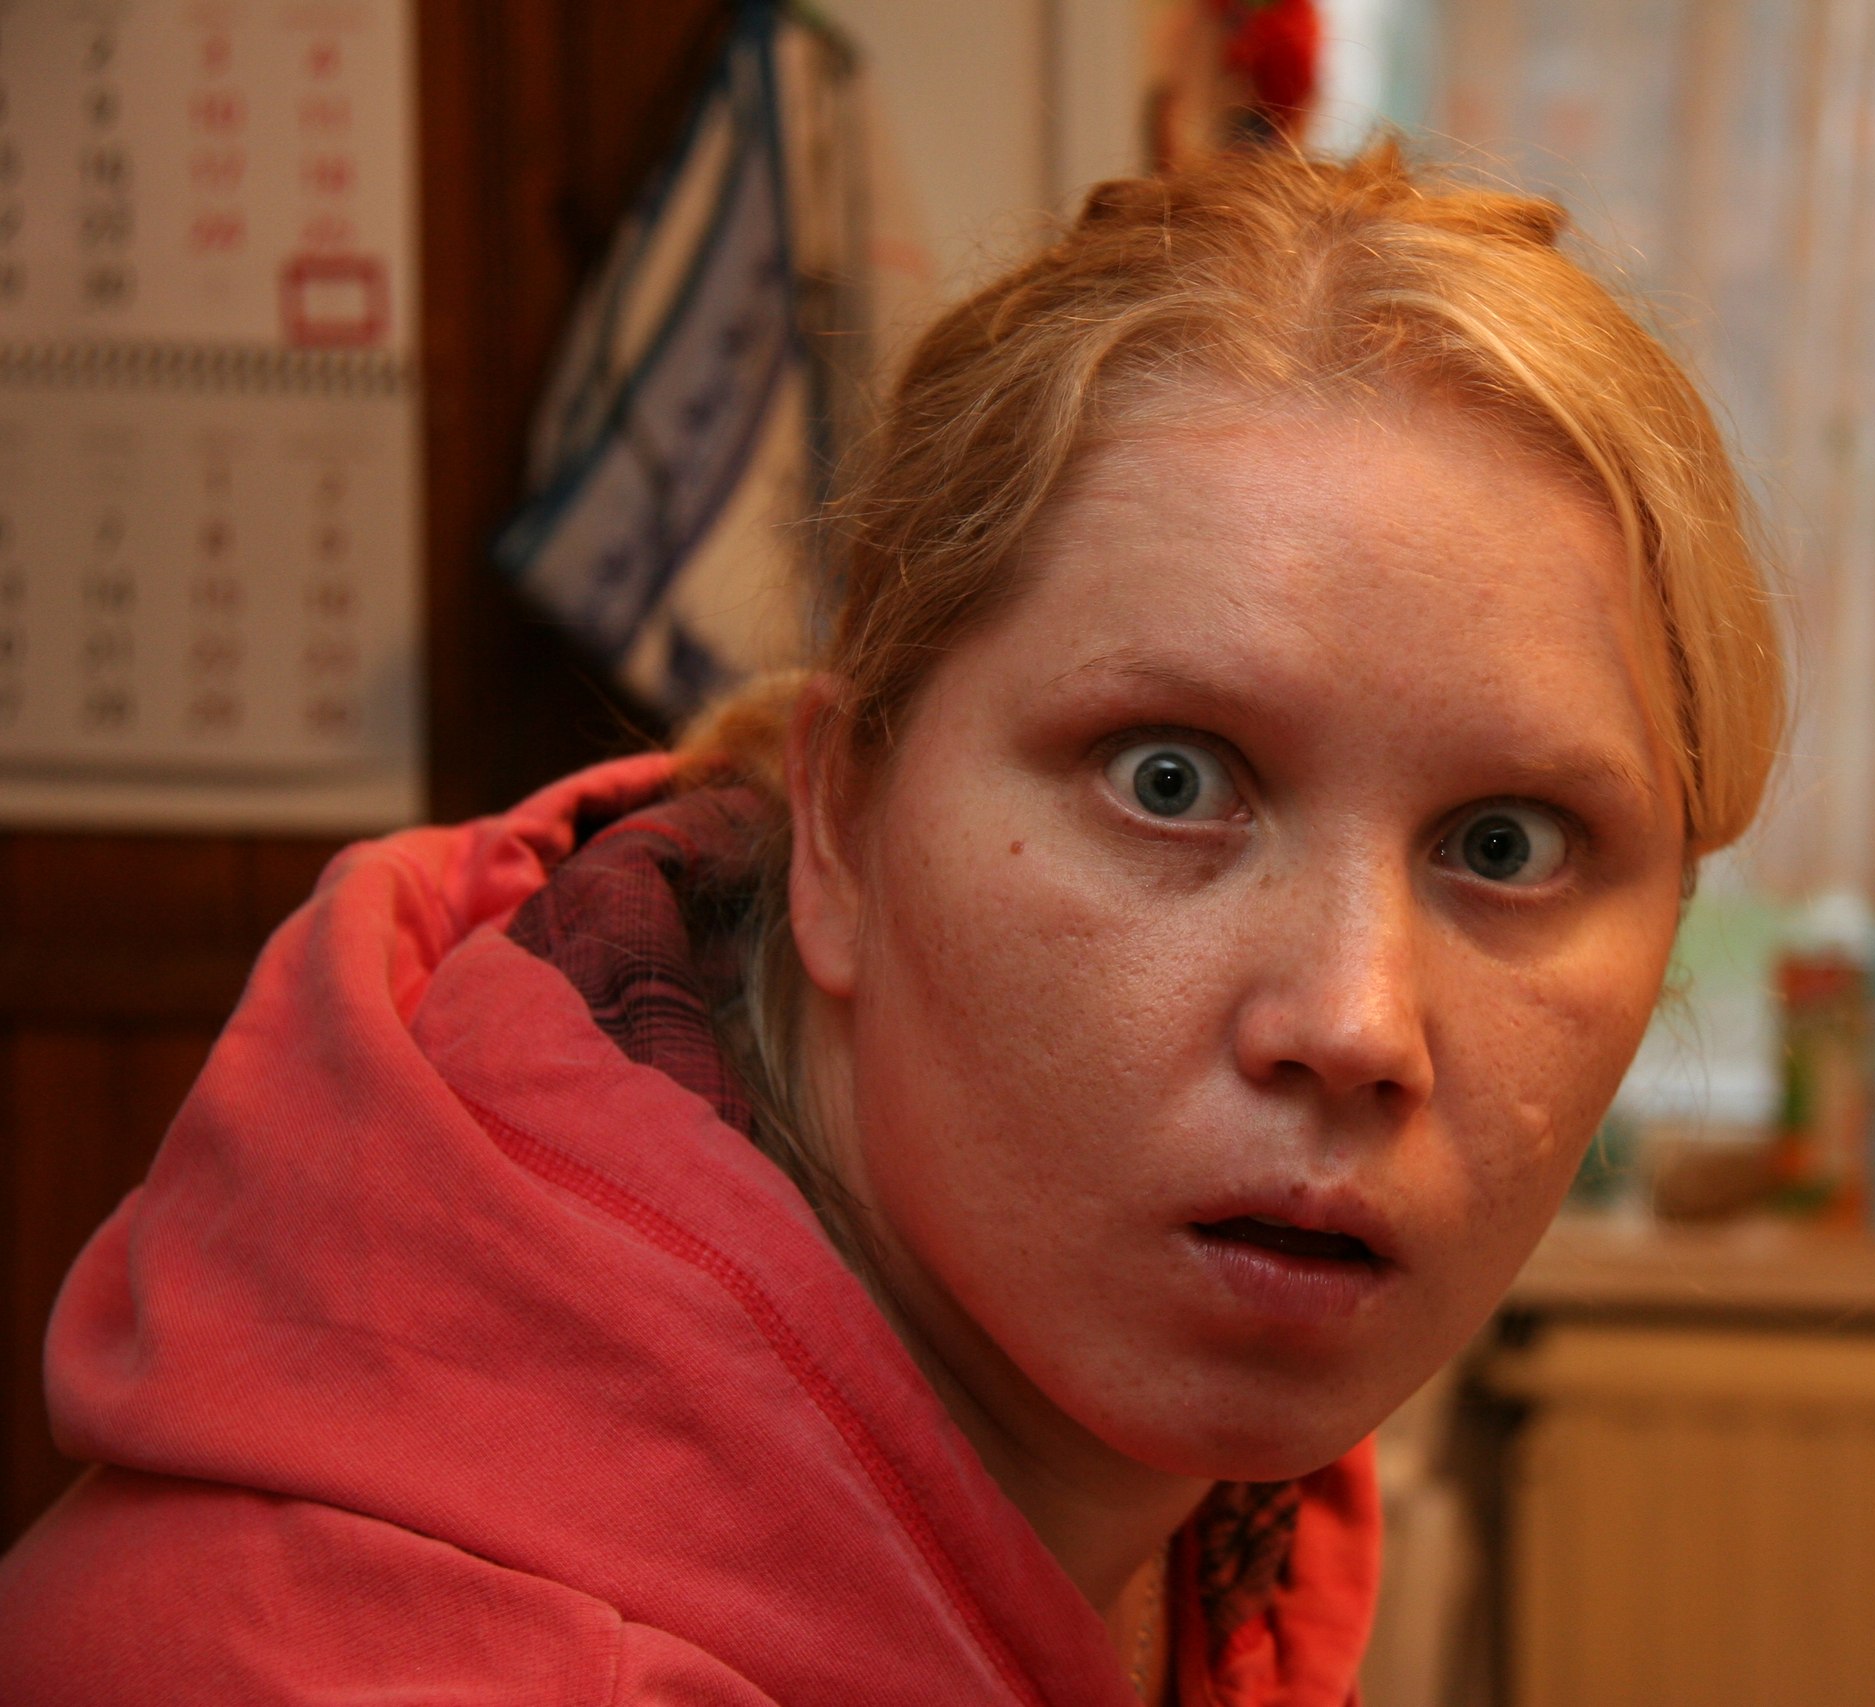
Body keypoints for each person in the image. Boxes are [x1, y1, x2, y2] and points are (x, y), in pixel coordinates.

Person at [0, 145, 1779, 1704]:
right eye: (1169, 780)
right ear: (842, 823)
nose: (1356, 1022)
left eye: (1506, 843)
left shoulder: (1185, 1477)